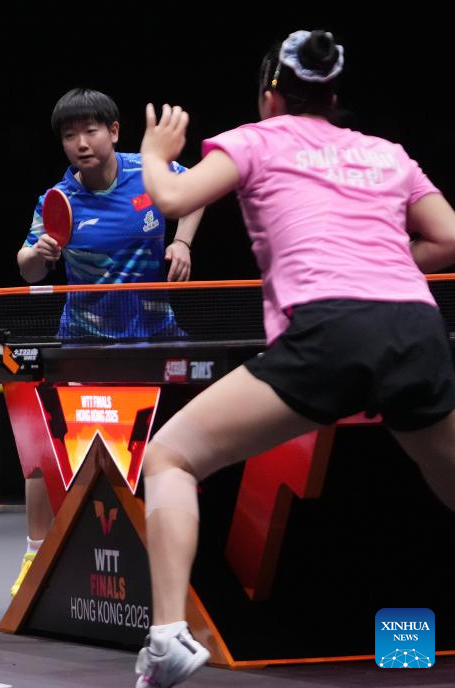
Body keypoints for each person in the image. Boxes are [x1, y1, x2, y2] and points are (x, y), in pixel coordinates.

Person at [134, 30, 455, 687]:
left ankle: (167, 637)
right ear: (332, 97)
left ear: (269, 95)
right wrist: (382, 263)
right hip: (414, 328)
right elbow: (448, 238)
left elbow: (173, 200)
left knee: (170, 456)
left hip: (327, 332)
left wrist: (155, 152)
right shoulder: (387, 153)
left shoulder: (256, 139)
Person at [11, 88, 204, 596]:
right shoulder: (59, 200)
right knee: (44, 453)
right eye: (69, 135)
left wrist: (182, 241)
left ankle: (180, 552)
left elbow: (197, 190)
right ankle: (34, 555)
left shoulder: (149, 172)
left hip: (156, 337)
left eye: (91, 131)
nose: (81, 143)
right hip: (85, 343)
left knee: (185, 444)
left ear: (114, 132)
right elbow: (26, 268)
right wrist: (41, 253)